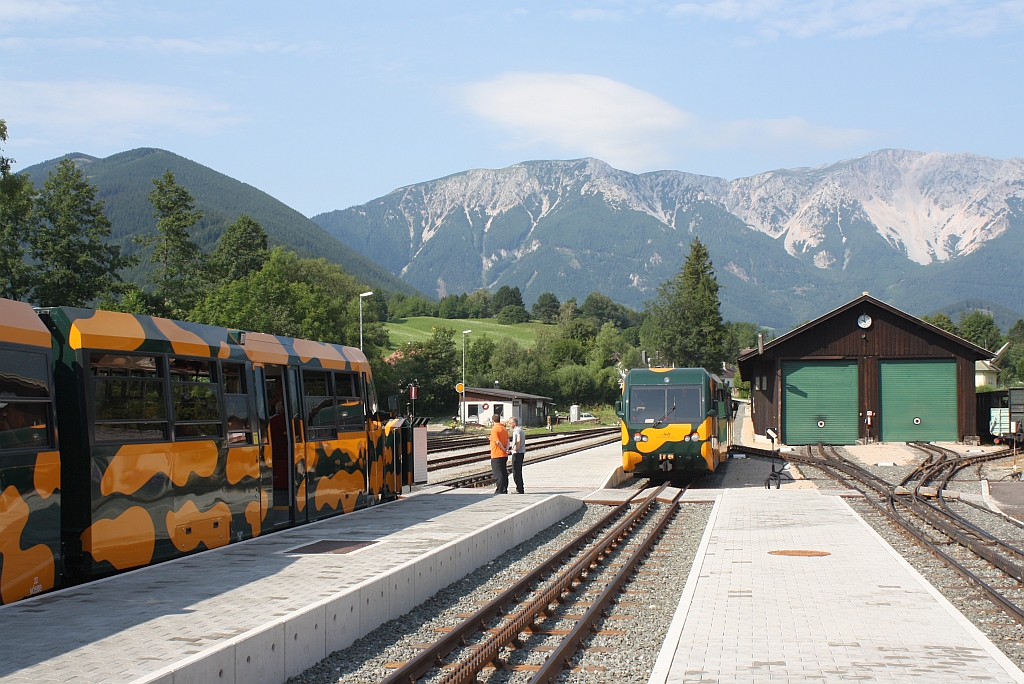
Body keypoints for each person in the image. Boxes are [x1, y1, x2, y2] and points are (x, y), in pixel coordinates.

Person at [489, 413, 509, 494]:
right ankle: (504, 489)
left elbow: (497, 441)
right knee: (504, 472)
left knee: (498, 473)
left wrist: (503, 448)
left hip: (496, 454)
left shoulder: (494, 429)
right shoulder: (504, 429)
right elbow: (508, 441)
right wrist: (506, 449)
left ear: (493, 421)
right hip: (504, 455)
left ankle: (500, 490)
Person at [508, 416, 526, 494]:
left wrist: (515, 448)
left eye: (510, 423)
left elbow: (518, 440)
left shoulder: (517, 431)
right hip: (520, 453)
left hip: (518, 453)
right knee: (518, 471)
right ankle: (520, 487)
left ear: (514, 423)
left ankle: (519, 488)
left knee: (516, 471)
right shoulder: (520, 430)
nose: (509, 425)